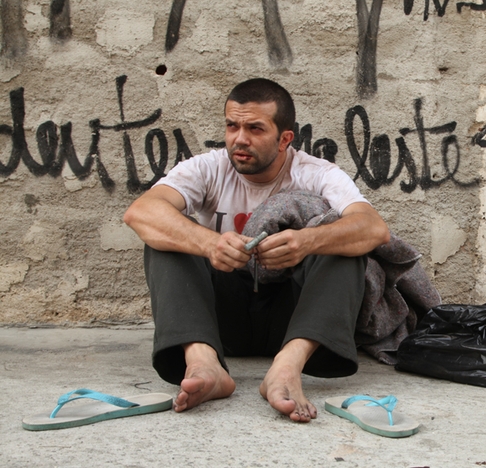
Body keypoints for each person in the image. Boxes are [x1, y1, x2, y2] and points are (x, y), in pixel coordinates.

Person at [123, 78, 390, 423]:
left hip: (292, 319)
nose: (239, 139)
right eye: (232, 126)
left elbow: (373, 228)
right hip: (220, 321)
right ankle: (204, 364)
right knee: (165, 239)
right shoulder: (207, 168)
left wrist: (306, 241)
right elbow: (140, 212)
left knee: (344, 245)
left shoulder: (316, 173)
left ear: (284, 139)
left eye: (255, 128)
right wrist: (209, 243)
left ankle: (286, 369)